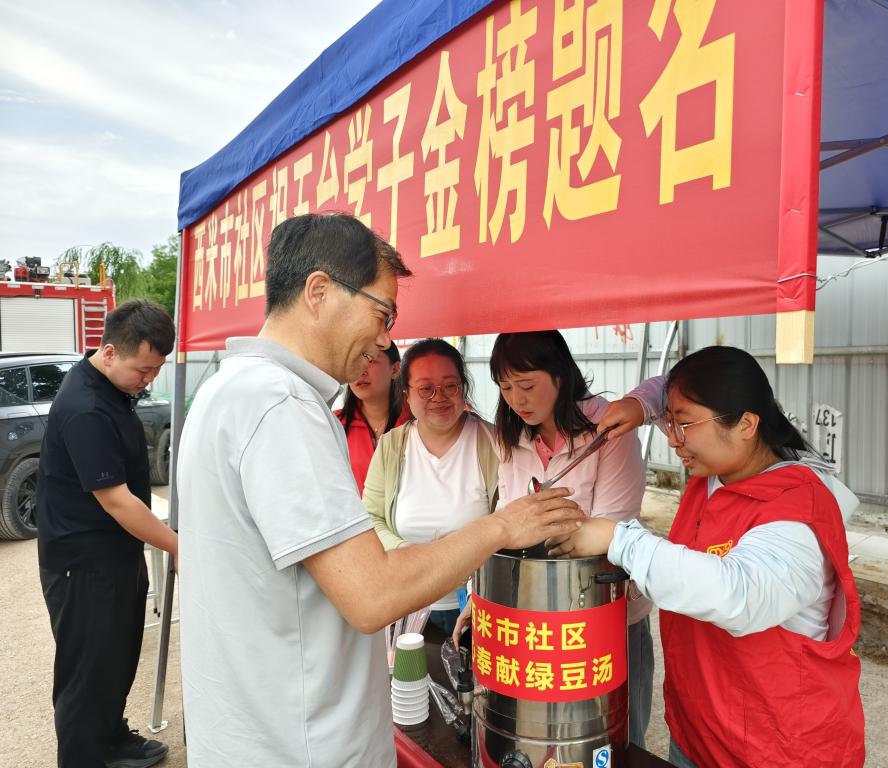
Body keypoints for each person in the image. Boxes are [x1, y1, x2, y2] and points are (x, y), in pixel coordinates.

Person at [176, 213, 583, 768]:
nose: (384, 339)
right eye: (382, 313)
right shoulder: (282, 406)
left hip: (252, 731)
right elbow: (371, 594)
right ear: (319, 291)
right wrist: (503, 526)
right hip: (301, 746)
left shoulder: (226, 390)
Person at [563, 345, 865, 767]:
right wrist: (639, 406)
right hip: (698, 734)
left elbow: (738, 595)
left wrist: (622, 541)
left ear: (746, 424)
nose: (673, 439)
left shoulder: (796, 510)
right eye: (669, 423)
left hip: (775, 751)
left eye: (683, 425)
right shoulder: (716, 475)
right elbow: (671, 389)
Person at [487, 329, 655, 748]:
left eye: (527, 386)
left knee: (614, 733)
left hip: (602, 611)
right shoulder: (511, 433)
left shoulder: (607, 427)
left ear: (560, 375)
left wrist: (536, 524)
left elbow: (610, 531)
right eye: (505, 388)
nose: (516, 400)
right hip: (536, 615)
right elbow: (507, 519)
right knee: (548, 736)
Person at [36, 298, 178, 768]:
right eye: (143, 370)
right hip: (82, 563)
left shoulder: (112, 387)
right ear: (111, 352)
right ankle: (83, 757)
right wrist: (178, 545)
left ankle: (111, 740)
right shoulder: (86, 407)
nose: (148, 380)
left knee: (115, 657)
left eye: (156, 370)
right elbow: (116, 499)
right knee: (86, 670)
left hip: (116, 554)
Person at [363, 338, 498, 634]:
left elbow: (508, 521)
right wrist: (405, 550)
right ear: (407, 394)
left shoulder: (493, 442)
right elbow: (370, 517)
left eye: (450, 386)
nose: (439, 397)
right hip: (405, 606)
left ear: (463, 387)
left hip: (477, 608)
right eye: (426, 388)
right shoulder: (391, 445)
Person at [335, 341, 407, 493]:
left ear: (395, 369)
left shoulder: (419, 419)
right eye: (353, 362)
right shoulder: (334, 424)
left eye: (370, 360)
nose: (360, 371)